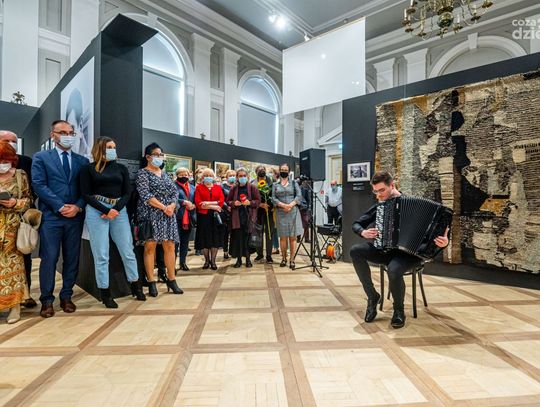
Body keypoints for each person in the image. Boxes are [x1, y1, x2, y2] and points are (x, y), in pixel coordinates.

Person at [350, 171, 449, 329]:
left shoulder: (416, 205)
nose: (378, 195)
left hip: (411, 254)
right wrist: (363, 232)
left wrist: (444, 243)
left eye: (382, 190)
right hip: (386, 251)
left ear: (392, 185)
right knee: (355, 251)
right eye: (375, 191)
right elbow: (356, 224)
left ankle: (398, 311)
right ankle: (372, 296)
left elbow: (438, 236)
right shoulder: (381, 206)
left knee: (394, 269)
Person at [32, 120, 89, 318]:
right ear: (53, 135)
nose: (68, 136)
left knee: (72, 258)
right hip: (51, 217)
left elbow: (86, 189)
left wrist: (78, 206)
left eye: (71, 133)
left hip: (75, 217)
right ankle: (47, 300)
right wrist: (60, 206)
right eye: (63, 132)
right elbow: (39, 184)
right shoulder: (41, 157)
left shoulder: (82, 161)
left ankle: (66, 296)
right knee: (49, 258)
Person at [80, 137, 146, 308]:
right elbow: (86, 194)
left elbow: (127, 192)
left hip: (119, 210)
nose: (112, 150)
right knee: (101, 254)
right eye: (109, 147)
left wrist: (115, 209)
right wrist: (105, 210)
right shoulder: (88, 169)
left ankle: (136, 285)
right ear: (100, 149)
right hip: (96, 210)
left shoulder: (121, 168)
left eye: (114, 147)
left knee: (127, 250)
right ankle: (105, 292)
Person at [136, 143, 183, 296]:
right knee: (150, 248)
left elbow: (175, 192)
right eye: (156, 154)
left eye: (161, 155)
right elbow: (145, 194)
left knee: (170, 247)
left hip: (168, 215)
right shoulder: (143, 173)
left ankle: (172, 279)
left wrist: (172, 206)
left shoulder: (165, 173)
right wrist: (164, 207)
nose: (159, 157)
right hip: (151, 215)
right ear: (148, 157)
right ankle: (151, 281)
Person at [0, 130, 36, 308]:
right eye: (7, 140)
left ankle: (20, 300)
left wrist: (15, 203)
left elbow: (30, 197)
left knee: (18, 264)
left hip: (14, 226)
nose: (11, 144)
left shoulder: (23, 169)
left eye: (14, 141)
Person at [227, 168, 260, 268]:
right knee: (238, 239)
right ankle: (239, 260)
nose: (242, 177)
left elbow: (258, 201)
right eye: (240, 176)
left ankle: (248, 259)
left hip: (249, 217)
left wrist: (250, 202)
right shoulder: (234, 188)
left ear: (247, 177)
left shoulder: (252, 187)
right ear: (237, 177)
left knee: (247, 240)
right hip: (237, 218)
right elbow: (228, 201)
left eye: (244, 176)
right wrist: (234, 203)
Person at [272, 163, 303, 269]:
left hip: (293, 211)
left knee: (293, 237)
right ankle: (284, 258)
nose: (283, 171)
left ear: (289, 172)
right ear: (279, 171)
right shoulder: (275, 184)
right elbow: (273, 198)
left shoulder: (294, 183)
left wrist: (290, 205)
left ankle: (292, 259)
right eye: (282, 169)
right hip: (281, 212)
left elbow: (299, 196)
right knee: (283, 237)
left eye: (285, 170)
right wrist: (283, 205)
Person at [194, 168, 224, 270]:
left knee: (215, 238)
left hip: (215, 217)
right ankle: (207, 261)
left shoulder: (218, 187)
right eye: (206, 175)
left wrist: (207, 203)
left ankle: (213, 261)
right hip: (203, 217)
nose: (208, 177)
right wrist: (213, 206)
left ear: (213, 177)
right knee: (204, 238)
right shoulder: (199, 188)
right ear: (202, 177)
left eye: (210, 176)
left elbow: (221, 201)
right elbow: (198, 203)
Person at [174, 167, 196, 271]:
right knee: (175, 243)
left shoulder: (192, 187)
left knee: (185, 242)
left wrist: (194, 205)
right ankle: (172, 264)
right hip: (177, 217)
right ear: (177, 176)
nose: (184, 176)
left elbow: (195, 199)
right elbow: (171, 198)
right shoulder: (173, 186)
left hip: (189, 217)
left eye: (186, 175)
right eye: (181, 175)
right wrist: (183, 202)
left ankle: (183, 262)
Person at [253, 165, 274, 263]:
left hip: (269, 210)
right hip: (258, 211)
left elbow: (275, 195)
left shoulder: (272, 182)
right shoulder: (253, 183)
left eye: (263, 170)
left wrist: (271, 205)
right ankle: (259, 254)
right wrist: (260, 204)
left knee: (269, 233)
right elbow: (251, 198)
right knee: (258, 233)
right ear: (256, 172)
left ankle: (269, 255)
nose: (261, 171)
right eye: (259, 170)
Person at [221, 169, 237, 260]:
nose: (232, 177)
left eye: (234, 175)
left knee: (234, 233)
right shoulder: (222, 186)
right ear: (226, 177)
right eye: (230, 175)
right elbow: (221, 199)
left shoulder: (237, 186)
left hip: (235, 212)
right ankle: (225, 251)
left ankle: (233, 251)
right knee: (225, 233)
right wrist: (227, 207)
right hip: (225, 212)